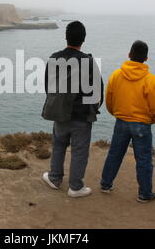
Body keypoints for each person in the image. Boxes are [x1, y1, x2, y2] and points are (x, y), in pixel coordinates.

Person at [41, 21, 103, 198]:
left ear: (66, 37)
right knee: (79, 151)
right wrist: (93, 108)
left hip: (60, 113)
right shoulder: (88, 61)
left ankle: (54, 178)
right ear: (83, 39)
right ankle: (75, 187)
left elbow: (48, 86)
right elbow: (98, 90)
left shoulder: (54, 58)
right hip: (81, 116)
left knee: (59, 145)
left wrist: (57, 103)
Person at [100, 40, 155, 202]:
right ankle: (144, 194)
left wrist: (115, 112)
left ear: (129, 55)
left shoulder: (116, 75)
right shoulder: (151, 80)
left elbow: (109, 99)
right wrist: (153, 120)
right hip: (142, 124)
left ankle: (105, 184)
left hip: (121, 120)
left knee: (114, 154)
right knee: (143, 159)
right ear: (146, 58)